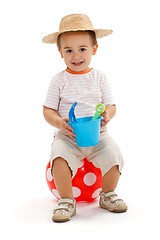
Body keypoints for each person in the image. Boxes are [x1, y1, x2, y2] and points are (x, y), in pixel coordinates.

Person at [42, 13, 127, 222]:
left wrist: (108, 114)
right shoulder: (58, 80)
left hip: (99, 134)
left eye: (82, 49)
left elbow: (111, 105)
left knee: (114, 155)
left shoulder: (99, 77)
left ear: (94, 49)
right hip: (68, 136)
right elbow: (48, 110)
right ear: (60, 52)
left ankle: (107, 194)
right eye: (69, 50)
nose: (76, 55)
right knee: (59, 157)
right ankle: (66, 200)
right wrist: (59, 122)